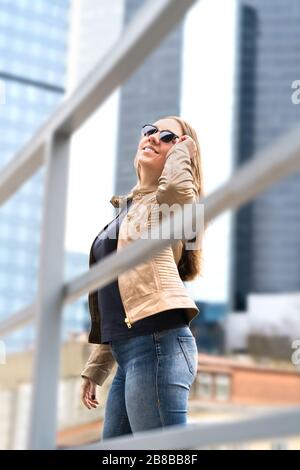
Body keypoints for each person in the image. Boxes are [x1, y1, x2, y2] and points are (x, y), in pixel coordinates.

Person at [80, 116, 205, 440]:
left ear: (181, 152)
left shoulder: (171, 206)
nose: (152, 138)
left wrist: (184, 151)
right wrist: (96, 368)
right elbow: (124, 298)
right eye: (149, 130)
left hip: (158, 345)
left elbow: (178, 189)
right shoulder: (127, 210)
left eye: (167, 137)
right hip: (129, 353)